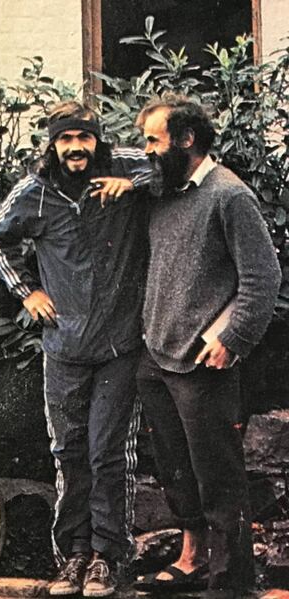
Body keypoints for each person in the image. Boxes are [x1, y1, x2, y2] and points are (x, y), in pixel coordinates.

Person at [0, 101, 152, 597]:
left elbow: (175, 168)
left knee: (108, 453)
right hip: (64, 346)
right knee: (69, 450)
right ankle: (73, 556)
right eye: (65, 140)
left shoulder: (122, 166)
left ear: (96, 140)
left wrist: (133, 185)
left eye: (84, 138)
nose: (76, 148)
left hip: (120, 343)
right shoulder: (35, 192)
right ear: (52, 145)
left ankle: (106, 557)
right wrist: (26, 291)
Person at [134, 95, 281, 599]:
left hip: (202, 365)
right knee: (176, 473)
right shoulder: (164, 192)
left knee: (219, 481)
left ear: (187, 139)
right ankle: (192, 561)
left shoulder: (228, 195)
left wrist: (233, 338)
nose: (146, 150)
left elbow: (263, 280)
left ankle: (231, 584)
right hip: (156, 358)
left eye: (154, 139)